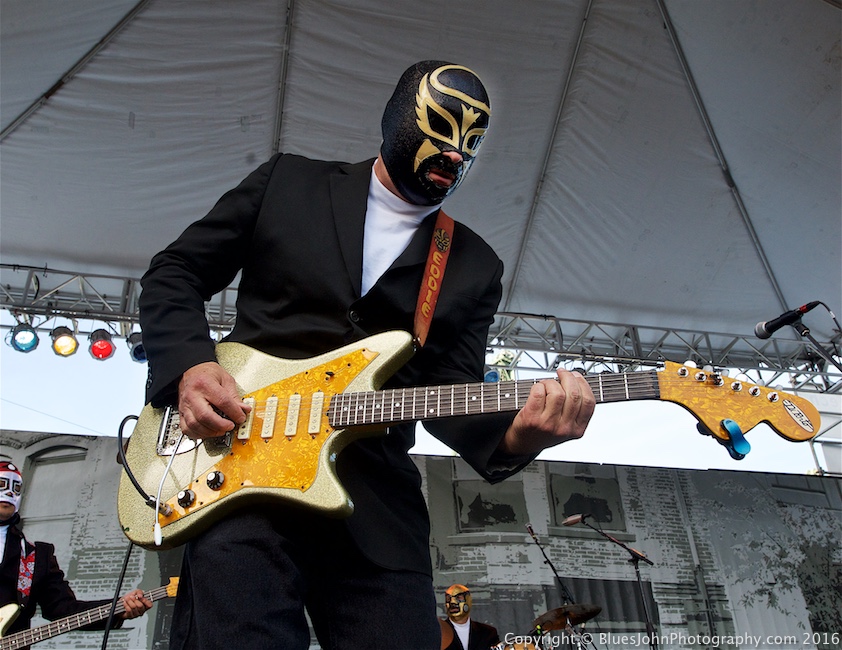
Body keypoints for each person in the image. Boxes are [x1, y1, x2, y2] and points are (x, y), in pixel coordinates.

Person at [138, 60, 595, 650]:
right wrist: (190, 366)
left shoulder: (473, 265)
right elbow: (174, 273)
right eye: (442, 128)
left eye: (472, 144)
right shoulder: (288, 182)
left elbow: (451, 391)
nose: (457, 155)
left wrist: (523, 436)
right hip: (243, 481)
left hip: (377, 510)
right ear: (397, 118)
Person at [0, 461, 152, 643]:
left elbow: (64, 610)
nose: (9, 492)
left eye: (16, 487)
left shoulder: (36, 555)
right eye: (2, 484)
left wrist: (117, 608)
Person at [440, 584, 499, 650]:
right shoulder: (438, 633)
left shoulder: (488, 633)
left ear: (468, 600)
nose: (452, 602)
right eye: (448, 598)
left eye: (459, 598)